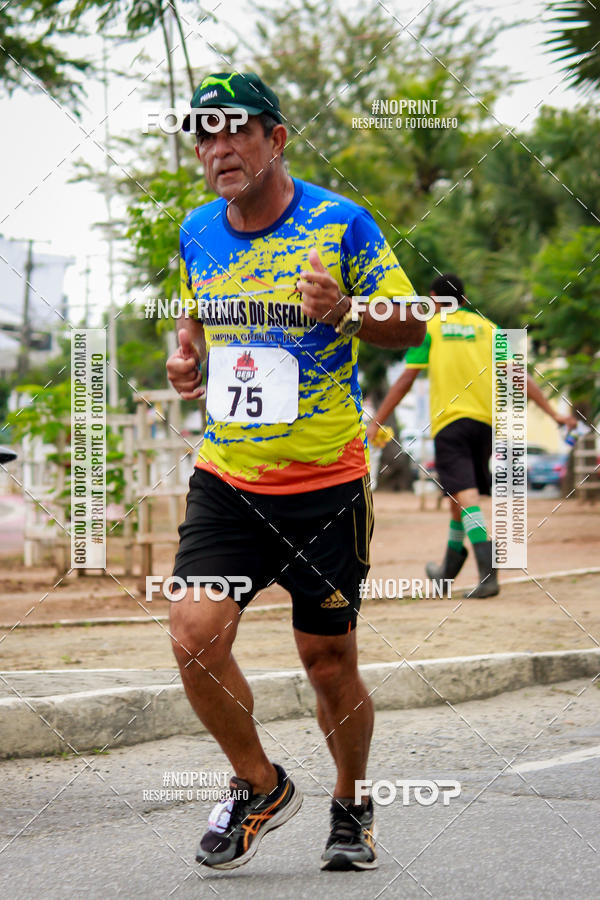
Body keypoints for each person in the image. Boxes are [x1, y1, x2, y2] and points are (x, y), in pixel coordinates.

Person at [165, 71, 425, 872]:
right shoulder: (197, 231)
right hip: (229, 480)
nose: (219, 148)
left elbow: (410, 322)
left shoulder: (339, 223)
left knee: (328, 661)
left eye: (237, 129)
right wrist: (184, 355)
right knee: (193, 633)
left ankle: (351, 803)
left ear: (275, 139)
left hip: (325, 486)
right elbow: (192, 313)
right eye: (205, 135)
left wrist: (346, 309)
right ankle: (260, 784)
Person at [367, 273, 577, 598]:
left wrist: (377, 420)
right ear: (464, 301)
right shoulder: (490, 328)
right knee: (458, 494)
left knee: (465, 497)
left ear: (433, 300)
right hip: (485, 424)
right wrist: (554, 414)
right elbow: (519, 375)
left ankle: (487, 571)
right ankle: (446, 571)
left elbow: (406, 379)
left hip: (450, 423)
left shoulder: (429, 329)